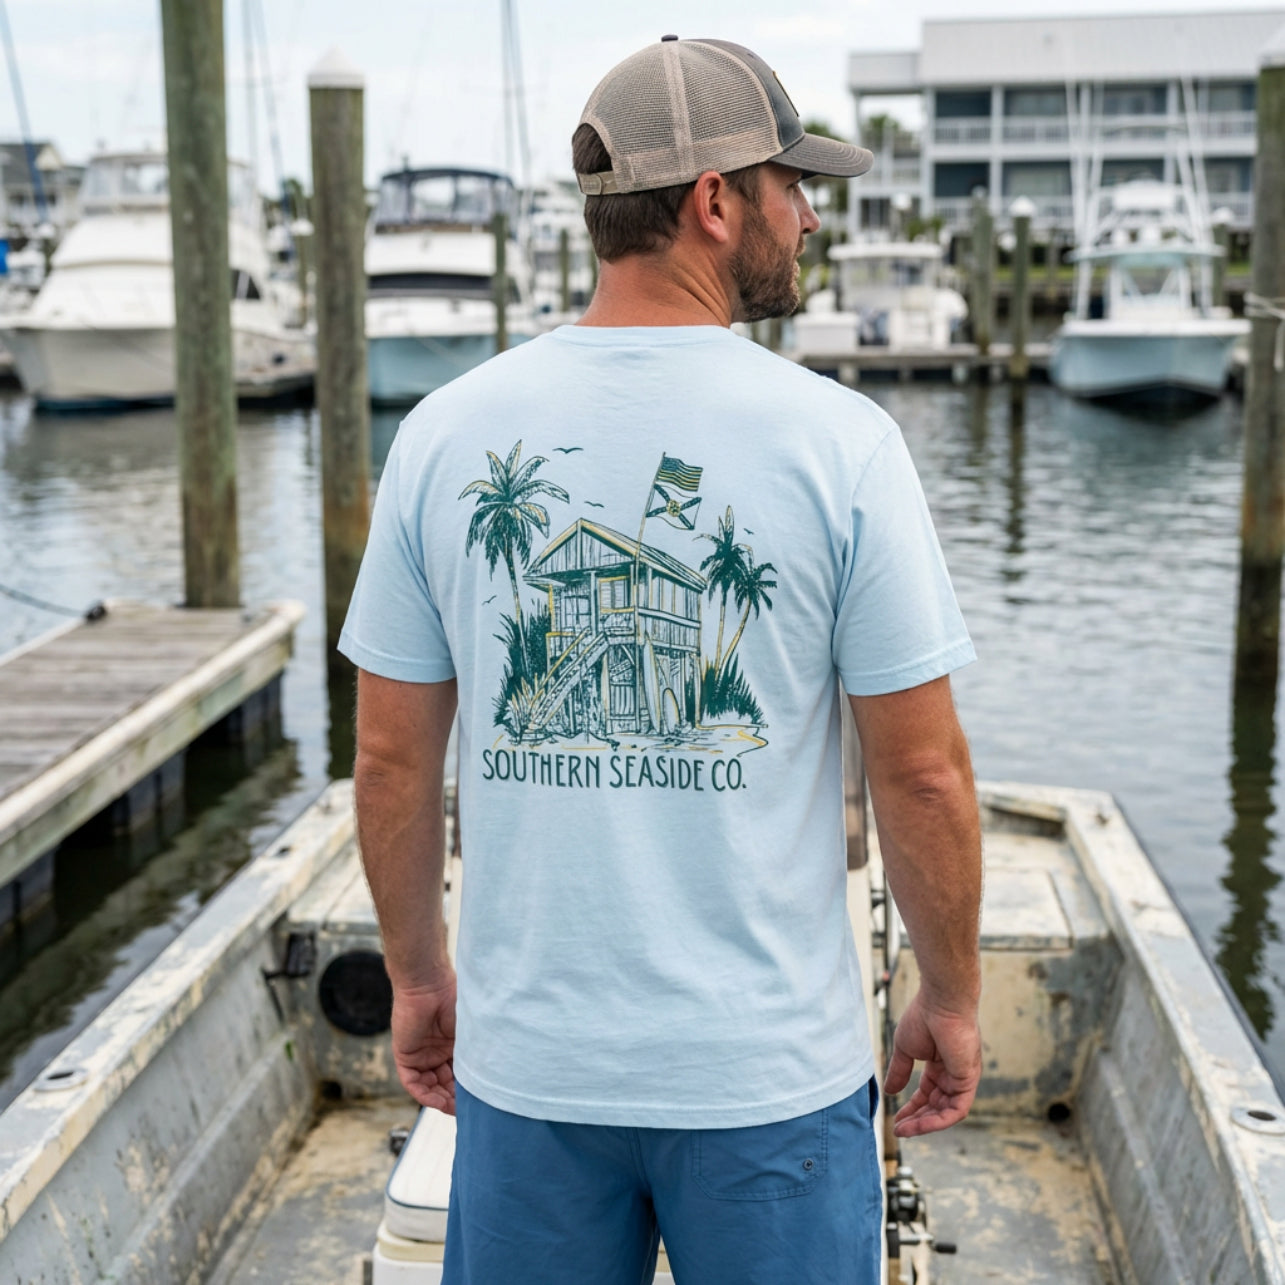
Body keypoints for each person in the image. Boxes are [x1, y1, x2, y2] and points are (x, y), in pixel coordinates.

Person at [341, 35, 982, 1285]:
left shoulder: (441, 436)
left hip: (529, 1073)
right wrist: (950, 996)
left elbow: (388, 755)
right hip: (767, 1081)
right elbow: (922, 780)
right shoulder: (841, 446)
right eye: (791, 187)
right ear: (712, 202)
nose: (805, 217)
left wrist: (421, 975)